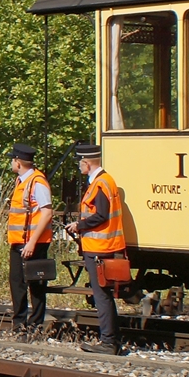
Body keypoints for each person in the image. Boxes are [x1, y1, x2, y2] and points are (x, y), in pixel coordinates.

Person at [65, 141, 125, 355]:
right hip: (103, 246)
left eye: (80, 163)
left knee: (102, 295)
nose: (78, 167)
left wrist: (78, 225)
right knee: (104, 295)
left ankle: (109, 342)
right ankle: (111, 340)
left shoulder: (100, 184)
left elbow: (101, 215)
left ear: (87, 163)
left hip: (100, 248)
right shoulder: (105, 181)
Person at [5, 142, 54, 334]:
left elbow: (47, 213)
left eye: (12, 160)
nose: (11, 164)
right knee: (17, 283)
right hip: (19, 241)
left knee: (36, 284)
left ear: (18, 162)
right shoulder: (23, 181)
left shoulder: (37, 182)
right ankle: (20, 324)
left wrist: (32, 242)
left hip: (34, 243)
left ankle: (35, 325)